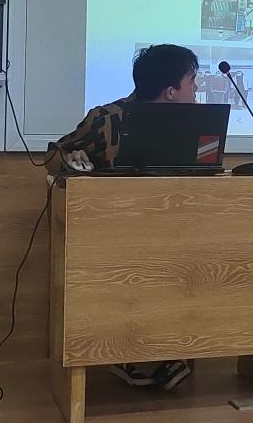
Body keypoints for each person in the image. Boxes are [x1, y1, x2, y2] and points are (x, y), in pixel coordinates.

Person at [52, 44, 199, 392]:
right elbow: (58, 154)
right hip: (113, 240)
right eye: (192, 81)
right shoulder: (106, 118)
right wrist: (72, 162)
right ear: (171, 91)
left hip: (175, 232)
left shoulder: (195, 123)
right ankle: (129, 355)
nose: (196, 90)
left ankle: (171, 351)